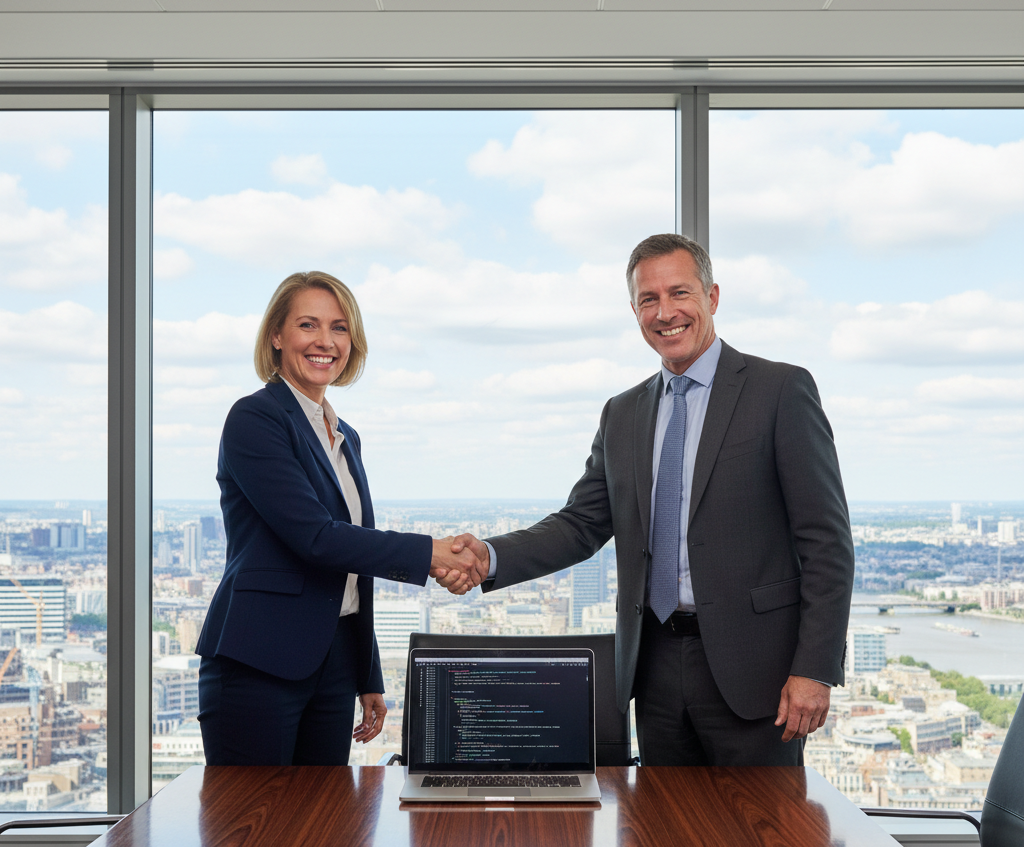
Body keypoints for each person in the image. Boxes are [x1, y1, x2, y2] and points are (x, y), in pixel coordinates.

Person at [437, 234, 854, 766]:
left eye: (679, 293)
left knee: (756, 842)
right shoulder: (623, 412)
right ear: (634, 310)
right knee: (663, 839)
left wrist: (814, 668)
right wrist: (488, 556)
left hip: (756, 673)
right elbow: (581, 524)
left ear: (713, 296)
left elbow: (827, 543)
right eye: (648, 300)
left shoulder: (780, 391)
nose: (665, 312)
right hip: (652, 666)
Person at [196, 270, 483, 765]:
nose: (325, 341)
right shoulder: (255, 418)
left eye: (340, 328)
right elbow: (318, 539)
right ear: (277, 336)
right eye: (308, 325)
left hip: (332, 665)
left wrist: (366, 674)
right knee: (251, 832)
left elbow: (350, 565)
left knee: (322, 829)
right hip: (258, 659)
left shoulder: (344, 434)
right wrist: (431, 551)